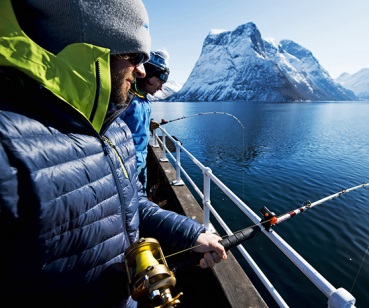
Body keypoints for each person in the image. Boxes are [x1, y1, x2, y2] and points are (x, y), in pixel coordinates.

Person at [0, 1, 226, 307]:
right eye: (133, 56)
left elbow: (132, 202)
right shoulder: (7, 148)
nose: (143, 71)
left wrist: (189, 233)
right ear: (88, 51)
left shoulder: (115, 131)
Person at [120, 49, 170, 192]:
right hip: (127, 166)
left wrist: (149, 125)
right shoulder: (125, 100)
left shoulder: (145, 100)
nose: (161, 87)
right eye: (159, 81)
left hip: (142, 161)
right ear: (147, 73)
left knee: (142, 194)